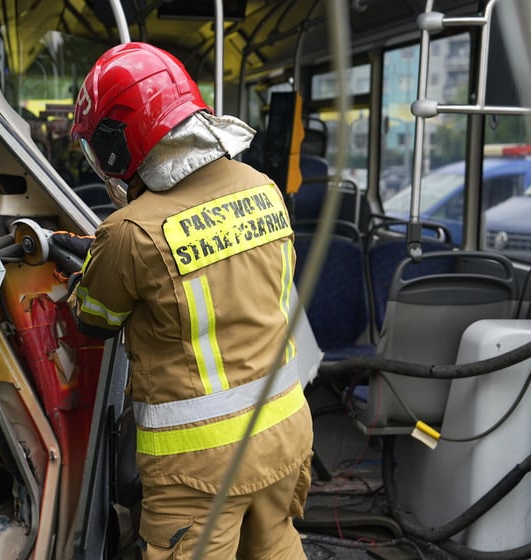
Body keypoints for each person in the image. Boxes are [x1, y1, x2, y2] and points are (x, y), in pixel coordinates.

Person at [67, 42, 314, 559]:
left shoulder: (129, 231)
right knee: (276, 548)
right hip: (285, 428)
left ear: (116, 147)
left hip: (200, 465)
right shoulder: (263, 188)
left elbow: (94, 317)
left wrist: (88, 269)